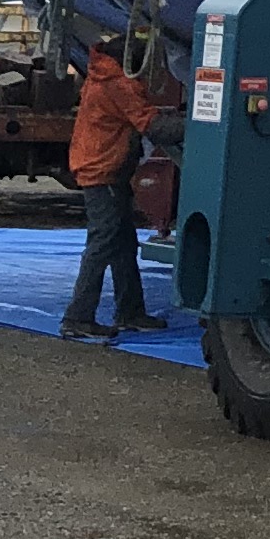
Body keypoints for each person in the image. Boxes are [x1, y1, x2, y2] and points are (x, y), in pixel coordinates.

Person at [57, 35, 169, 341]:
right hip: (104, 172)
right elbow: (149, 123)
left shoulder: (101, 75)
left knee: (121, 243)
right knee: (103, 243)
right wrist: (201, 124)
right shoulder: (119, 84)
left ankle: (129, 311)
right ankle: (78, 317)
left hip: (101, 169)